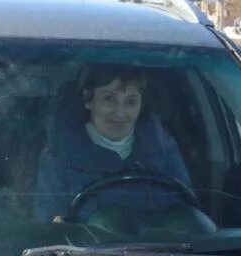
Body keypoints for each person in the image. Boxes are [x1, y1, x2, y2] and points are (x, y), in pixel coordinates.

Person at [33, 64, 191, 224]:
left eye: (131, 102)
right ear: (88, 99)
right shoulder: (57, 157)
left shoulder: (164, 150)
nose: (120, 112)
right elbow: (49, 227)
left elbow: (186, 214)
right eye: (109, 98)